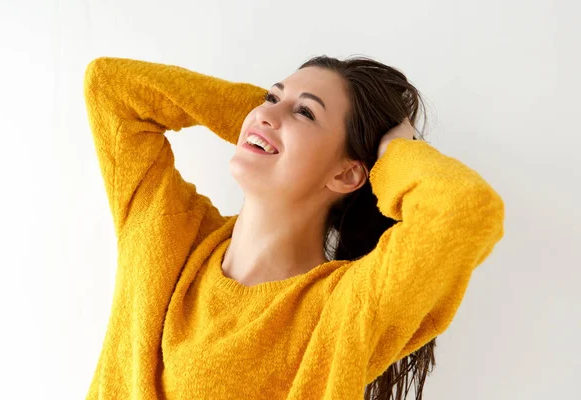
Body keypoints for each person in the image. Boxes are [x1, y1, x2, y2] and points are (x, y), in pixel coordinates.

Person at [83, 55, 505, 400]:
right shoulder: (169, 231)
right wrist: (258, 120)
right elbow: (111, 86)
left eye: (305, 112)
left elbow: (463, 210)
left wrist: (390, 154)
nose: (268, 110)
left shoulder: (341, 310)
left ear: (346, 175)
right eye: (271, 96)